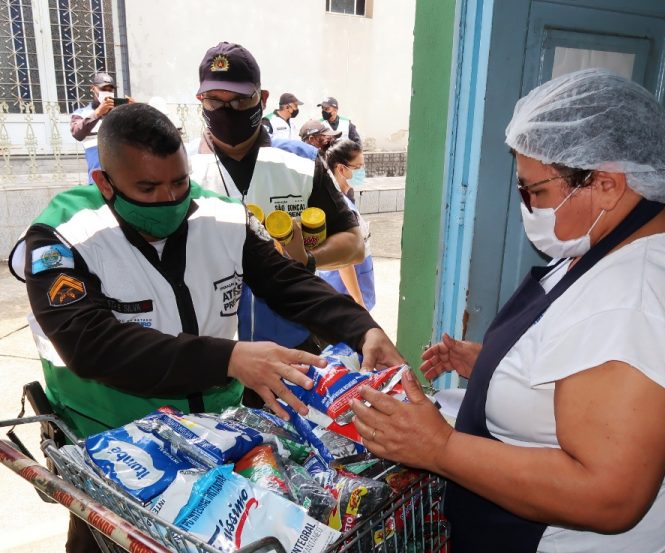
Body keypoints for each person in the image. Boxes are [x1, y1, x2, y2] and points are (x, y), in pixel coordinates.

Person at [350, 69, 665, 552]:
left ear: (608, 185)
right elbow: (606, 369)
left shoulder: (633, 299)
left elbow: (607, 496)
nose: (527, 206)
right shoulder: (642, 228)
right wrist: (504, 365)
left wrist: (438, 448)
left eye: (537, 192)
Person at [8, 102, 402, 552]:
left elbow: (287, 281)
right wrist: (230, 358)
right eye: (148, 187)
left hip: (215, 438)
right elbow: (88, 342)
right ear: (104, 182)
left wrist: (361, 328)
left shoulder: (223, 217)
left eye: (179, 182)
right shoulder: (62, 235)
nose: (170, 200)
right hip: (116, 453)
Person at [188, 42, 364, 360]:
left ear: (262, 99)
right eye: (215, 100)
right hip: (212, 357)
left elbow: (354, 244)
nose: (227, 111)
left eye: (240, 100)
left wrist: (307, 260)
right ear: (201, 99)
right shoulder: (182, 170)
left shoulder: (300, 162)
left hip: (292, 347)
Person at [318, 139, 375, 310]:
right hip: (345, 292)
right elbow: (345, 261)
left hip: (354, 285)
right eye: (358, 168)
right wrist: (358, 301)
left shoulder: (343, 198)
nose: (362, 172)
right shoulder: (336, 206)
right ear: (341, 169)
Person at [69, 72, 132, 184]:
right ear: (93, 89)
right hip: (97, 178)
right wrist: (97, 113)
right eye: (103, 89)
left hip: (122, 176)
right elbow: (77, 133)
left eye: (110, 90)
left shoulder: (121, 112)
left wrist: (135, 111)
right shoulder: (81, 114)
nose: (107, 93)